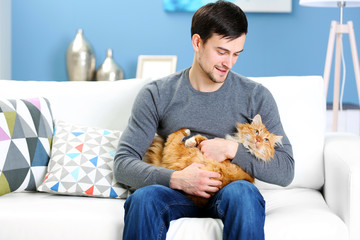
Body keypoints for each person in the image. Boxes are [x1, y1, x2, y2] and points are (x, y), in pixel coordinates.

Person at [114, 1, 294, 239]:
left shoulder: (255, 96)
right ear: (197, 42)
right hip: (176, 194)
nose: (228, 63)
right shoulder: (157, 94)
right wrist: (177, 179)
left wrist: (232, 149)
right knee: (144, 198)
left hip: (229, 193)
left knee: (243, 192)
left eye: (236, 54)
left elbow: (285, 170)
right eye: (221, 52)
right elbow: (123, 164)